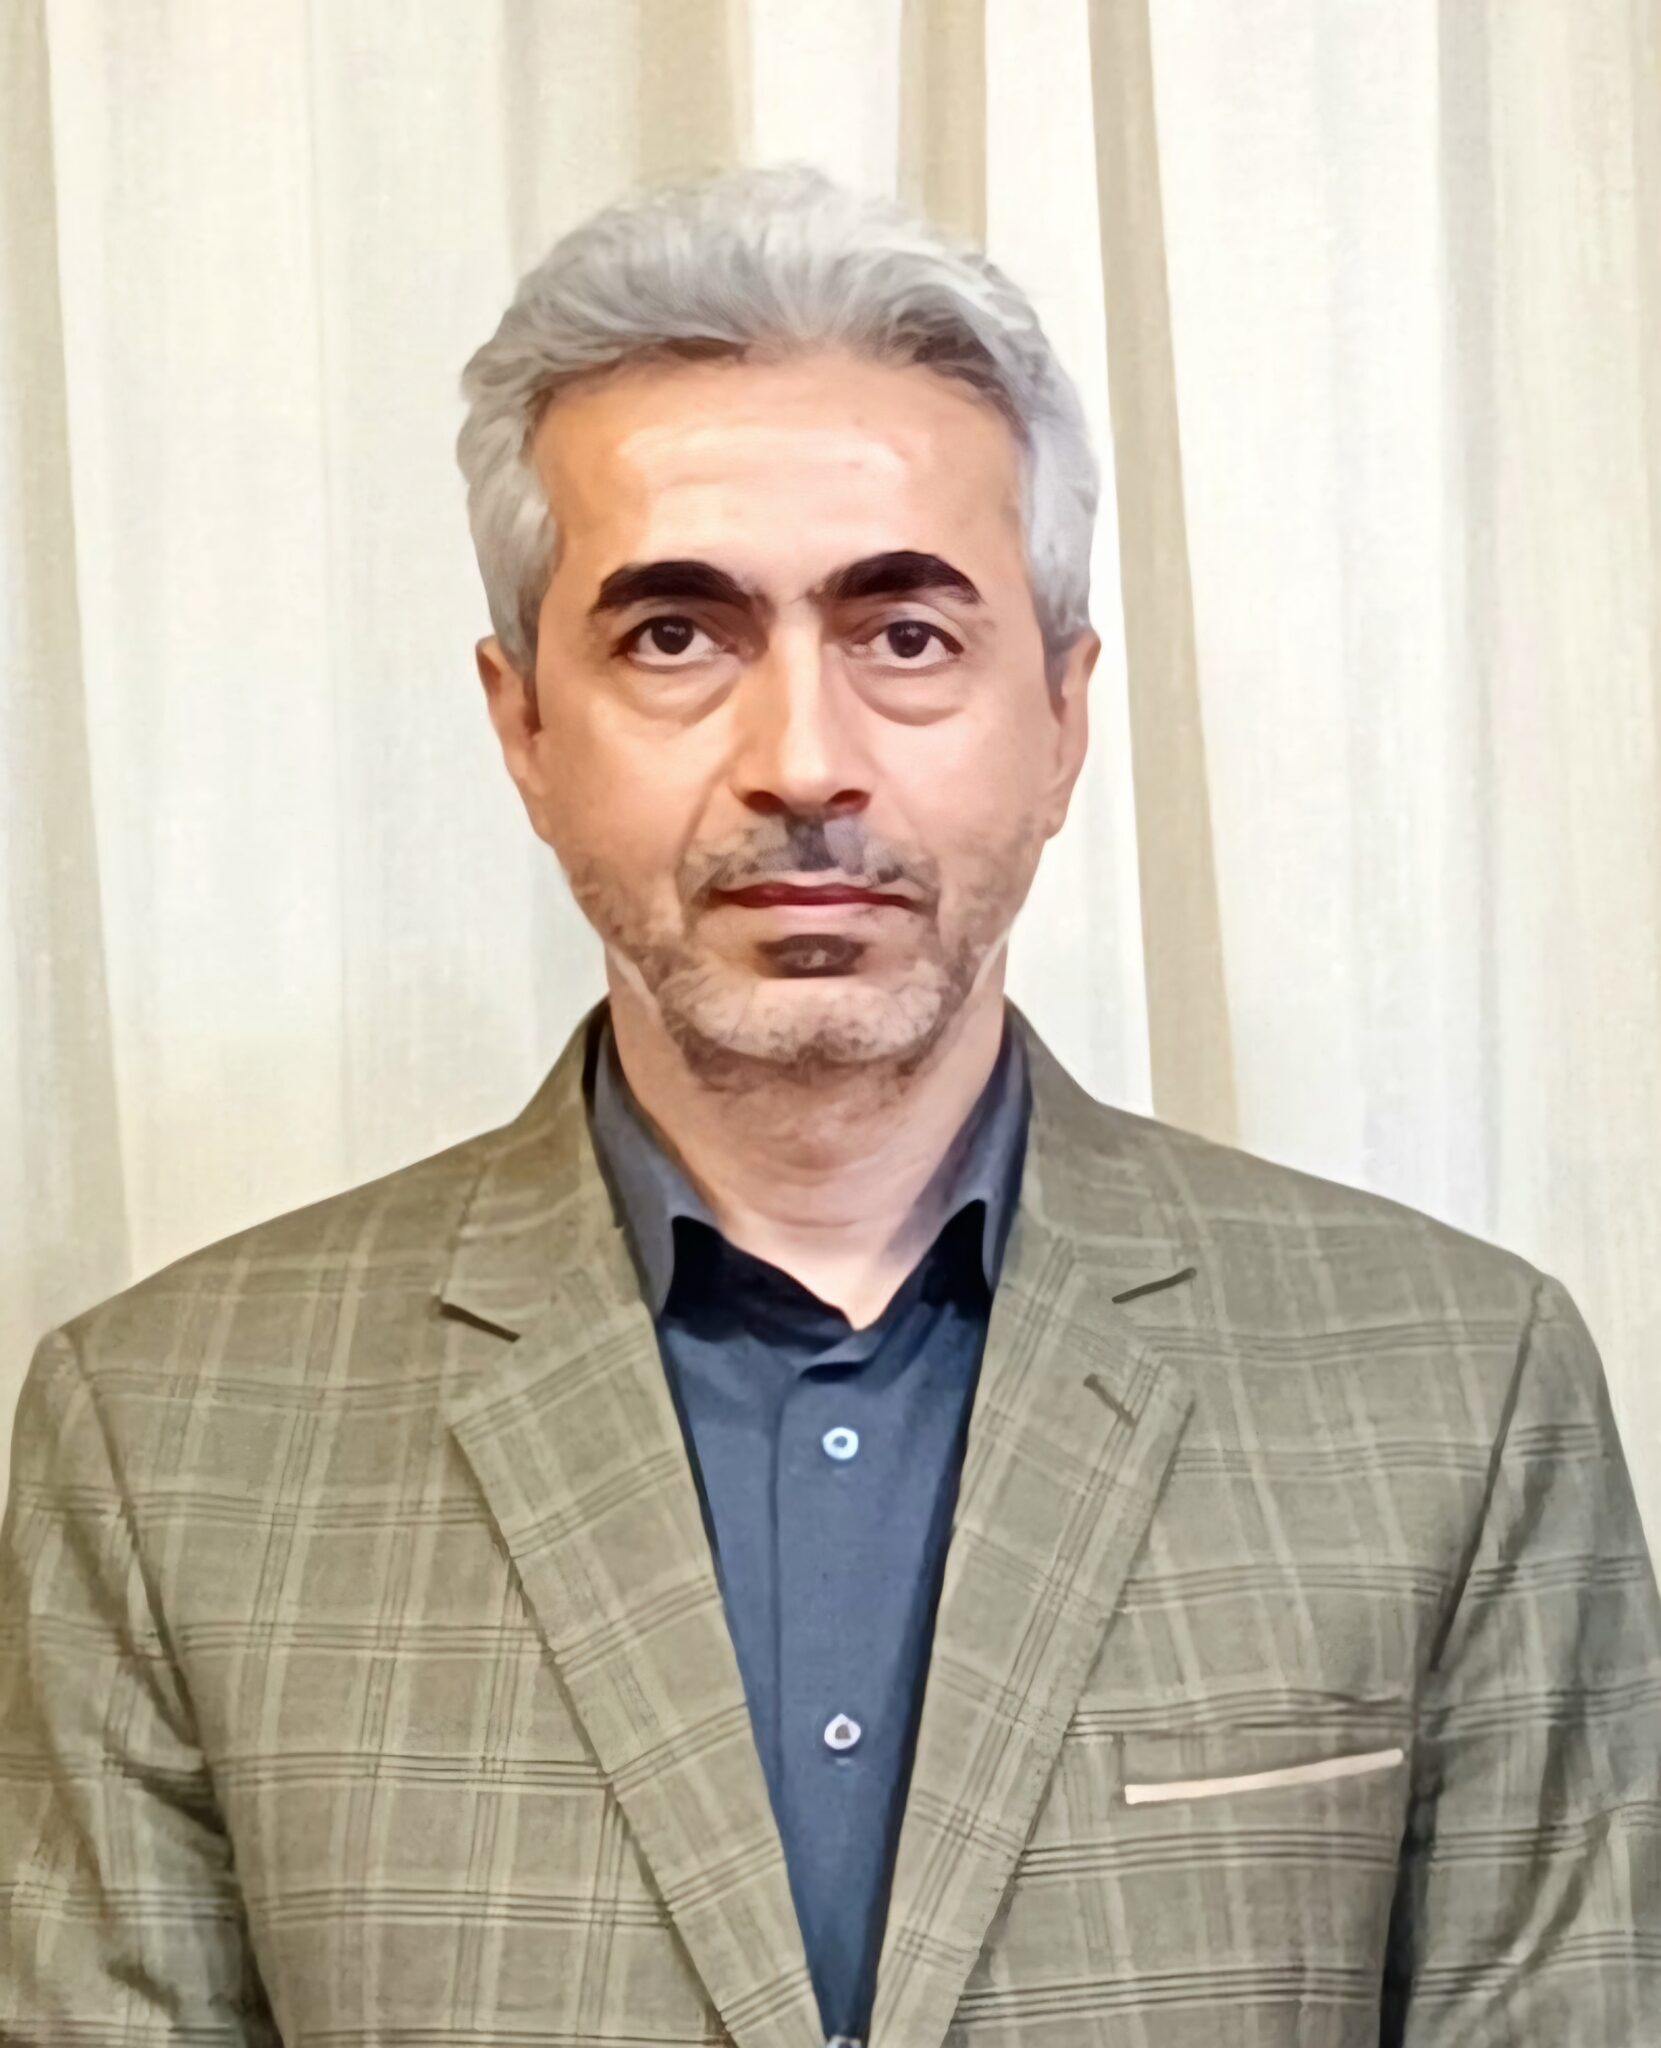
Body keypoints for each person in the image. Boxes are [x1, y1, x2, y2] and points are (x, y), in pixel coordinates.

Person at [1, 160, 1656, 2048]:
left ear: (1063, 717)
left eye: (906, 634)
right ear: (522, 726)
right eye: (674, 637)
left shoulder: (1456, 1389)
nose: (801, 761)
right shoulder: (162, 1440)